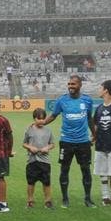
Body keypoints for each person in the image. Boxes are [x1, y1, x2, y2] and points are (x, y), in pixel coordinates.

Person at [41, 75, 96, 208]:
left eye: (73, 84)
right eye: (69, 84)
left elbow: (89, 119)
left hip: (83, 142)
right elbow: (53, 115)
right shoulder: (62, 100)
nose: (70, 86)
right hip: (66, 141)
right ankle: (65, 199)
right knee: (64, 170)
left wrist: (95, 134)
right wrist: (42, 123)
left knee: (85, 170)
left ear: (80, 85)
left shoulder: (87, 100)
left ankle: (88, 199)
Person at [22, 107, 54, 209]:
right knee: (31, 182)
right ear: (34, 119)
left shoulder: (48, 130)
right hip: (32, 161)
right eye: (38, 119)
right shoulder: (29, 130)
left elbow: (52, 144)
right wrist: (30, 147)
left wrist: (47, 148)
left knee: (47, 182)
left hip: (45, 161)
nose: (41, 121)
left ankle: (48, 201)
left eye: (43, 119)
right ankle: (30, 200)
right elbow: (24, 143)